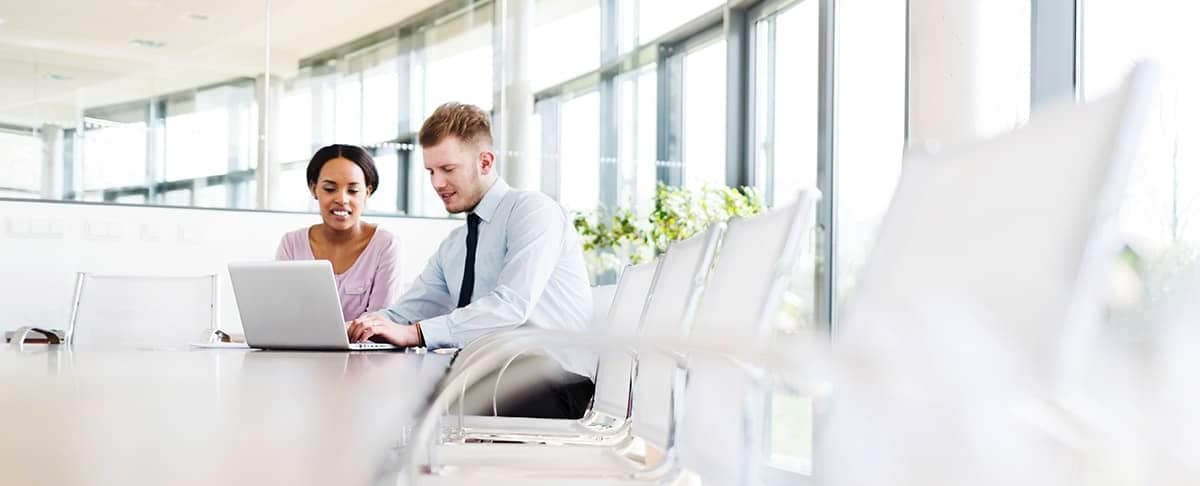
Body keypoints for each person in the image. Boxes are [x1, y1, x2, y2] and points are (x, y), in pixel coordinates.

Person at [346, 102, 594, 419]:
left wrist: (415, 333)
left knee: (403, 403)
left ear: (485, 162)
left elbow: (511, 306)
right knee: (379, 389)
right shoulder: (455, 245)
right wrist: (347, 329)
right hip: (487, 374)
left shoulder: (533, 212)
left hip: (551, 382)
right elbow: (405, 313)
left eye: (448, 170)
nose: (436, 183)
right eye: (431, 172)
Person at [276, 144, 401, 321]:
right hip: (301, 348)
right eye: (329, 189)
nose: (342, 199)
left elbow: (380, 322)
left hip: (369, 349)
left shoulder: (385, 244)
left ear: (367, 192)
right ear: (314, 189)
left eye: (353, 190)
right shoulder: (291, 244)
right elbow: (283, 314)